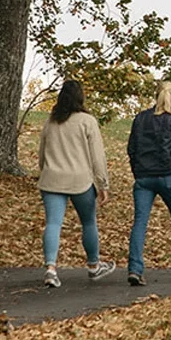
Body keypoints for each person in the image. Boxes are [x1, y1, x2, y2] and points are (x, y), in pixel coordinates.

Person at [37, 80, 116, 288]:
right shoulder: (87, 121)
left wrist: (43, 170)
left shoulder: (51, 122)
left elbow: (42, 153)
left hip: (52, 179)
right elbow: (97, 157)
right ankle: (93, 265)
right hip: (80, 181)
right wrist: (103, 184)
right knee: (88, 222)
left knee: (53, 223)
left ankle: (51, 269)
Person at [125, 81, 171, 286]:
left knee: (140, 222)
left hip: (143, 177)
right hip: (167, 175)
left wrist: (137, 170)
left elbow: (132, 148)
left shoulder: (141, 118)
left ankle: (135, 268)